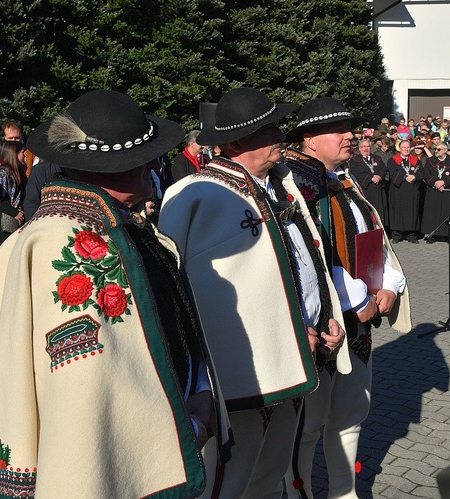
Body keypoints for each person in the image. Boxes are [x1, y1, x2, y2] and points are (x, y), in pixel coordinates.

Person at [0, 89, 230, 498]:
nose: (153, 166)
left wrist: (201, 389)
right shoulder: (57, 242)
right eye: (144, 158)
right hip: (116, 472)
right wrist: (187, 427)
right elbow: (88, 388)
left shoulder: (124, 229)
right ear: (112, 166)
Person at [159, 87, 348, 498]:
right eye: (269, 128)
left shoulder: (282, 186)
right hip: (239, 377)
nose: (280, 133)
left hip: (296, 361)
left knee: (269, 477)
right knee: (227, 483)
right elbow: (180, 294)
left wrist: (322, 318)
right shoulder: (194, 194)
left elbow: (302, 262)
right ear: (239, 142)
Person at [282, 97, 410, 499]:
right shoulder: (295, 188)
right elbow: (311, 259)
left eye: (350, 128)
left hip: (360, 324)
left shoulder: (347, 183)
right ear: (309, 139)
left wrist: (390, 284)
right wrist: (358, 299)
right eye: (338, 130)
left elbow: (376, 239)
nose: (350, 136)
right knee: (310, 423)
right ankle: (298, 490)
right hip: (326, 325)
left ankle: (343, 493)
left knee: (352, 415)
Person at [0, 141, 26, 252]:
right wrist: (14, 212)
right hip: (4, 226)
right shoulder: (3, 173)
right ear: (15, 154)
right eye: (23, 152)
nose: (25, 155)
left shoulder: (17, 172)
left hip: (15, 225)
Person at [420, 140, 450, 241]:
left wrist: (444, 182)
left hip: (447, 191)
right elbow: (426, 174)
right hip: (434, 191)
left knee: (447, 213)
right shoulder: (430, 161)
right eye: (435, 149)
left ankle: (448, 235)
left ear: (445, 150)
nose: (436, 151)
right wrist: (436, 183)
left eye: (438, 149)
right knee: (432, 214)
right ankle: (432, 234)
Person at [348, 138, 388, 230]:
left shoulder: (377, 158)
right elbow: (355, 173)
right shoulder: (355, 160)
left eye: (368, 146)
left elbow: (384, 169)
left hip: (378, 190)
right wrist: (371, 177)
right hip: (366, 190)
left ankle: (381, 230)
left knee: (379, 211)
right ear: (359, 148)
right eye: (363, 147)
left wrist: (379, 176)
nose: (366, 149)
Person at [387, 139, 423, 244]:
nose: (406, 149)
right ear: (400, 148)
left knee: (412, 212)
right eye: (404, 147)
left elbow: (421, 171)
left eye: (408, 147)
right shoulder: (393, 160)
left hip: (412, 191)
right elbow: (393, 173)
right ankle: (397, 235)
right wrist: (404, 177)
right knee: (397, 212)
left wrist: (414, 176)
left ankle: (411, 235)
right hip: (398, 191)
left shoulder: (415, 160)